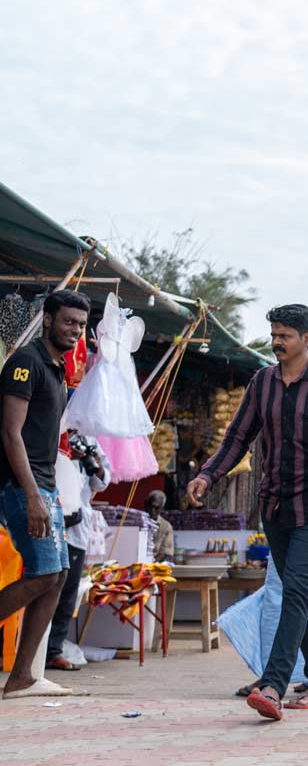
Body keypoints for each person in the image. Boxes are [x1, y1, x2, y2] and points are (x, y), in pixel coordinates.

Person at [187, 304, 308, 721]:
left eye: (285, 335)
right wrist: (207, 475)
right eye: (274, 334)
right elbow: (237, 438)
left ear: (307, 339)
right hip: (275, 505)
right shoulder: (262, 383)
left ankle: (273, 684)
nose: (277, 342)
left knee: (294, 588)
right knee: (296, 590)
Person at [0, 289, 90, 699]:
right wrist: (33, 495)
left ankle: (23, 677)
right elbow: (10, 432)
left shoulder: (56, 367)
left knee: (57, 576)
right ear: (48, 320)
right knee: (45, 573)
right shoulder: (26, 362)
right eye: (69, 321)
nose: (75, 330)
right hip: (23, 486)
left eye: (82, 325)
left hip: (44, 485)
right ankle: (21, 676)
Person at [46, 433, 110, 672]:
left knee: (67, 591)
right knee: (40, 584)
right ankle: (17, 647)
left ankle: (53, 650)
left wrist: (91, 459)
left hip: (75, 527)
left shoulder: (90, 438)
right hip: (45, 520)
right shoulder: (49, 427)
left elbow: (102, 482)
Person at [146, 490, 174, 563]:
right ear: (146, 505)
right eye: (151, 506)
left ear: (162, 508)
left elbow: (166, 553)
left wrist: (151, 563)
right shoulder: (137, 522)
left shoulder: (166, 527)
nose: (152, 510)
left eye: (156, 508)